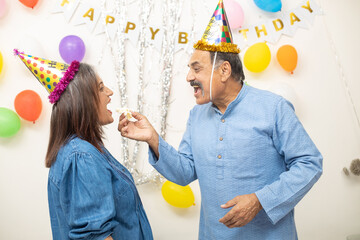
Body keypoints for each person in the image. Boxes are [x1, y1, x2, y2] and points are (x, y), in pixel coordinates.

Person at [118, 0, 323, 239]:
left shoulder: (273, 107)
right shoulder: (196, 115)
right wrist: (153, 139)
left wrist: (260, 200)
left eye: (196, 69)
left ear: (224, 71)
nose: (188, 77)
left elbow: (309, 163)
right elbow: (185, 172)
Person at [14, 49, 153, 240]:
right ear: (84, 100)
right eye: (101, 88)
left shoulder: (84, 149)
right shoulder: (82, 157)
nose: (110, 92)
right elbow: (95, 236)